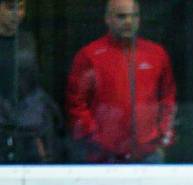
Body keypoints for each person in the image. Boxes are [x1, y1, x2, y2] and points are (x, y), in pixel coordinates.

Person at [65, 0, 176, 163]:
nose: (129, 22)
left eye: (134, 16)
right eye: (121, 16)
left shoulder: (157, 54)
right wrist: (93, 138)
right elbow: (76, 103)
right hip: (102, 155)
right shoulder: (90, 55)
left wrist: (163, 136)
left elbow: (168, 98)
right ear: (107, 19)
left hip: (148, 152)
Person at [0, 0, 63, 163]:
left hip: (28, 125)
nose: (16, 14)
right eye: (10, 8)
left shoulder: (29, 40)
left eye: (21, 8)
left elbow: (37, 83)